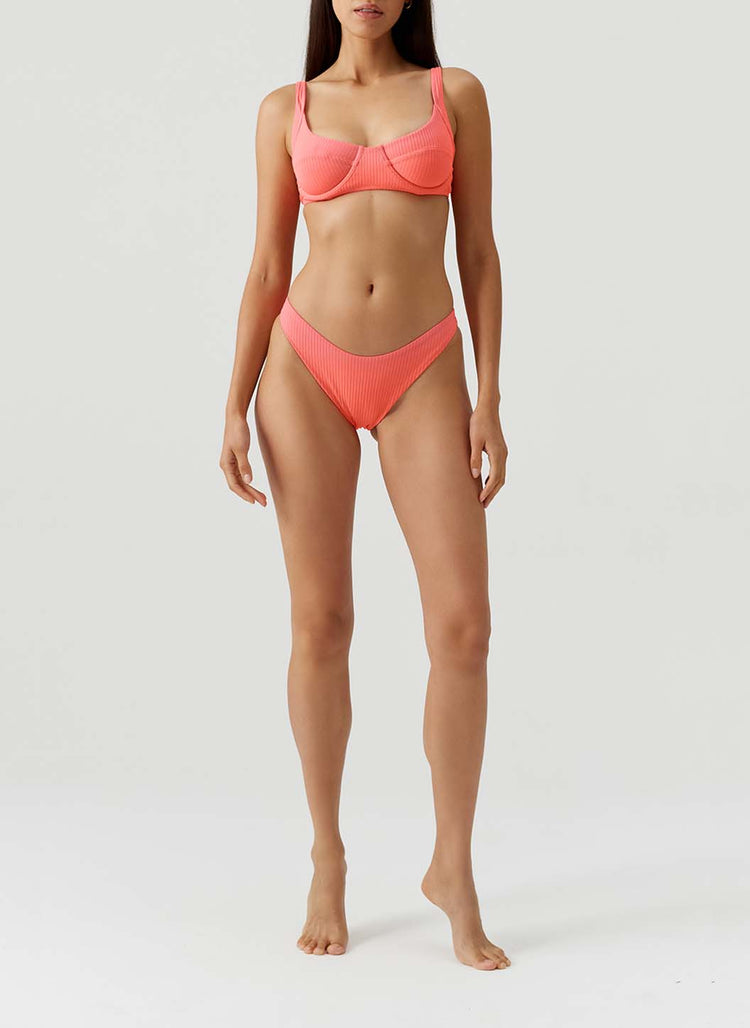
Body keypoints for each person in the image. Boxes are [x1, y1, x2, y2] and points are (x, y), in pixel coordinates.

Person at [220, 0, 509, 971]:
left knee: (463, 626)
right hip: (303, 365)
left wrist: (489, 397)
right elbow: (268, 264)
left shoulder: (454, 95)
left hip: (425, 365)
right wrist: (232, 404)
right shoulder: (287, 108)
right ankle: (327, 856)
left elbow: (478, 253)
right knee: (322, 621)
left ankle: (452, 868)